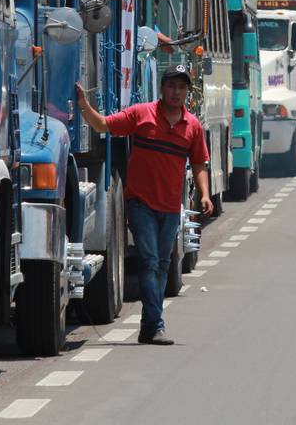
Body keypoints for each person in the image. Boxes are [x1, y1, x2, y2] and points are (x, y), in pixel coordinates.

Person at [76, 65, 213, 345]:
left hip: (171, 207)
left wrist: (205, 194)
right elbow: (103, 125)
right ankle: (157, 324)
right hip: (141, 204)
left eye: (182, 87)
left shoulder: (193, 127)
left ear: (188, 92)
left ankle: (148, 326)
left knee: (163, 265)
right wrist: (83, 106)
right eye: (172, 86)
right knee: (150, 262)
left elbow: (199, 163)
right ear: (162, 88)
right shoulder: (141, 115)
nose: (176, 92)